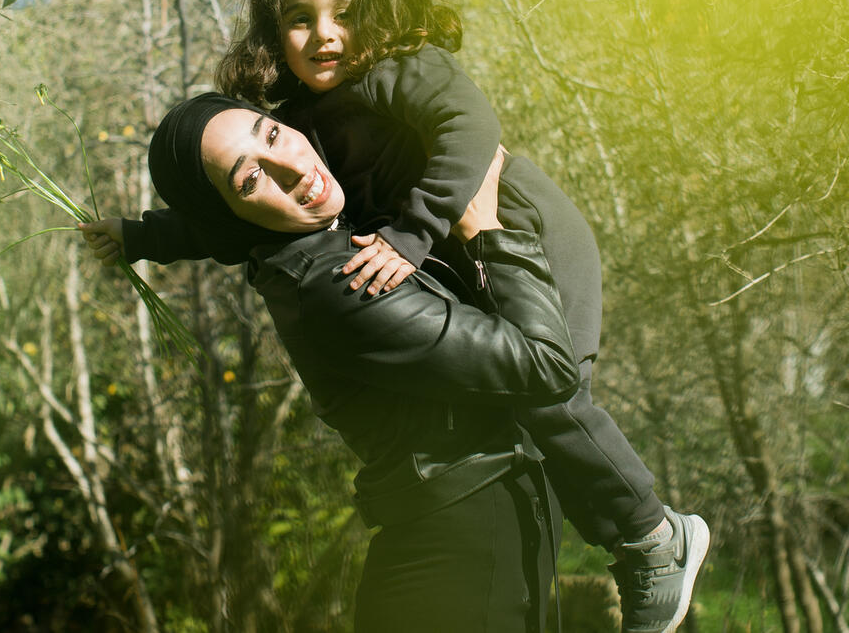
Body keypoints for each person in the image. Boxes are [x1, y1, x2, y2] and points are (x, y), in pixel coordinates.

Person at [90, 0, 709, 633]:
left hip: (526, 233)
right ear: (272, 36)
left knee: (554, 398)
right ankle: (630, 538)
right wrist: (143, 234)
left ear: (377, 12)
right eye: (300, 19)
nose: (326, 34)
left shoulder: (399, 70)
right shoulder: (294, 125)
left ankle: (652, 537)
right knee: (531, 398)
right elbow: (228, 222)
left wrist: (411, 236)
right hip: (466, 257)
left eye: (345, 12)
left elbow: (473, 127)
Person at [84, 94, 582, 633]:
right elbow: (546, 366)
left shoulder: (303, 237)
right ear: (232, 213)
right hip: (462, 561)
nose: (296, 167)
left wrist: (140, 235)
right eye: (250, 181)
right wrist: (488, 230)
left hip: (466, 541)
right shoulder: (340, 286)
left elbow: (209, 230)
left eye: (271, 134)